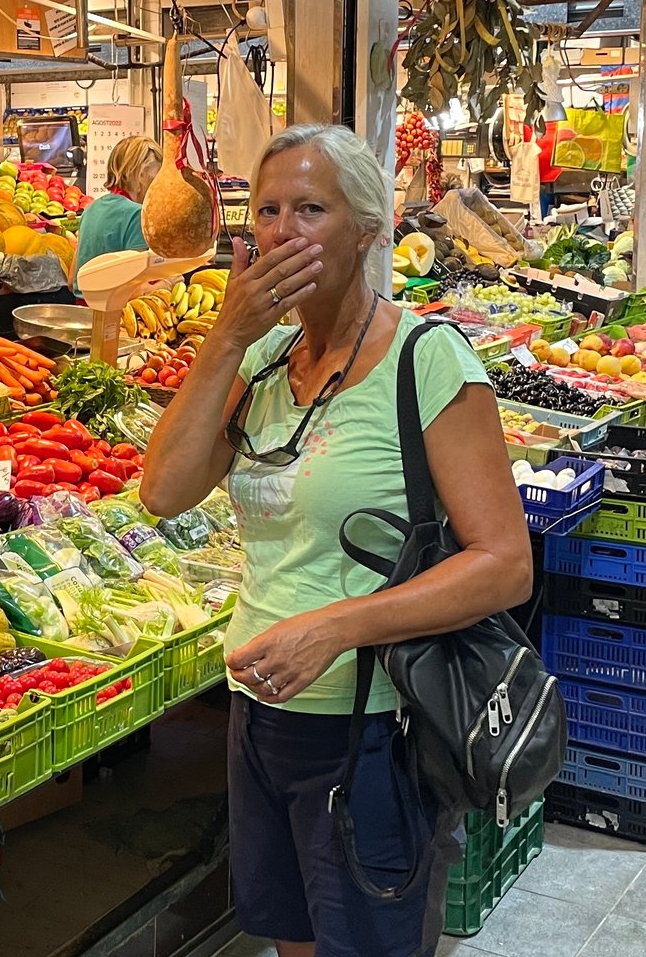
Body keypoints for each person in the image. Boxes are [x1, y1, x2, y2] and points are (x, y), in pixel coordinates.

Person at [139, 125, 532, 956]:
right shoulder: (265, 361)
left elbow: (503, 566)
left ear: (368, 226)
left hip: (372, 724)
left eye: (310, 209)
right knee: (291, 939)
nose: (283, 230)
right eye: (269, 209)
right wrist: (228, 338)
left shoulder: (427, 359)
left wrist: (336, 627)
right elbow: (164, 492)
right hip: (260, 715)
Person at [71, 136, 161, 294]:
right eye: (157, 177)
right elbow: (136, 292)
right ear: (140, 175)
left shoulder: (90, 210)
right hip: (116, 315)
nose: (159, 185)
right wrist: (169, 283)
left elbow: (72, 281)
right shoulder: (138, 215)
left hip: (83, 311)